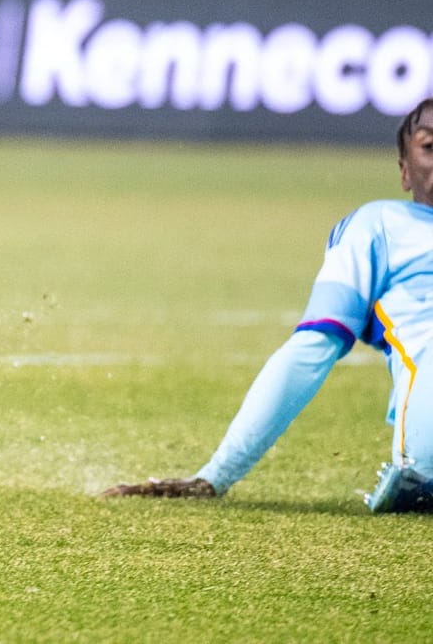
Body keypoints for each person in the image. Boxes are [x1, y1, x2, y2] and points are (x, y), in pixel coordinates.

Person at [105, 98, 433, 512]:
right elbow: (309, 350)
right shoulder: (380, 228)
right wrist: (215, 475)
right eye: (430, 146)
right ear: (405, 171)